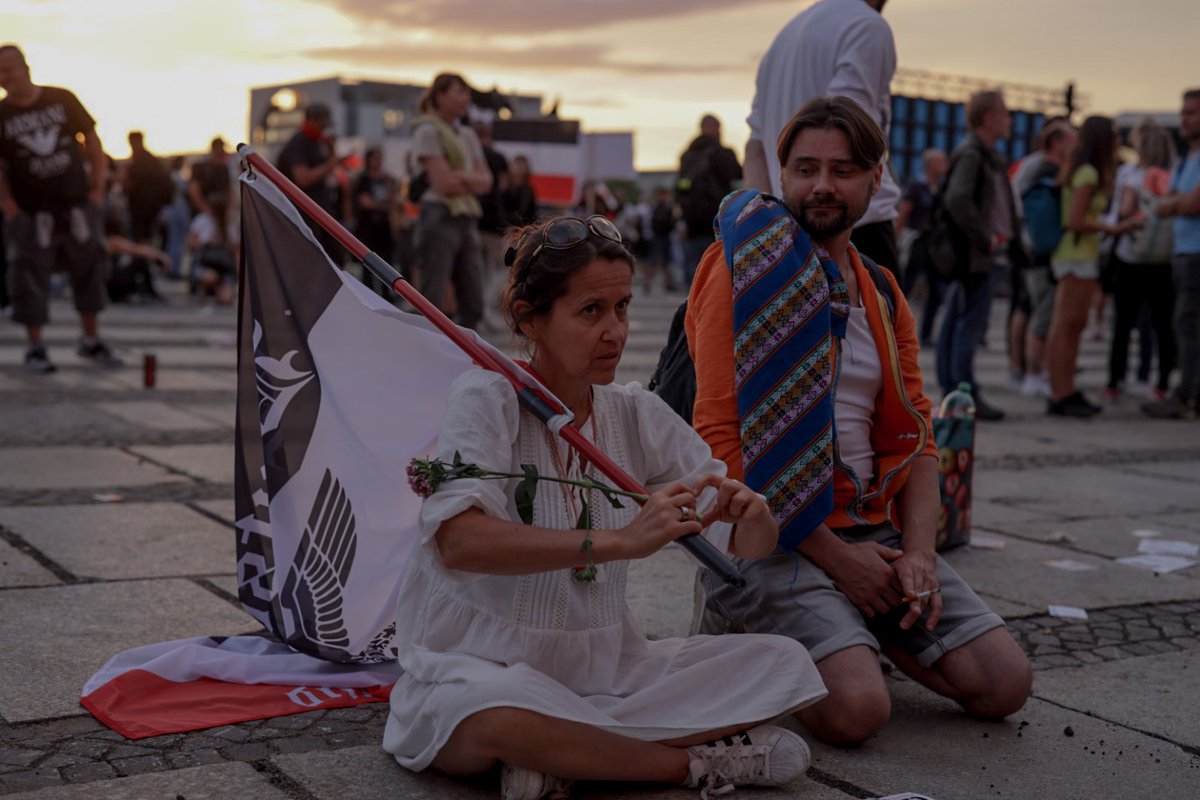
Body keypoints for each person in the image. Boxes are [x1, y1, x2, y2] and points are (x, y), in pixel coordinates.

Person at [383, 215, 827, 799]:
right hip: (483, 670)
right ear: (530, 319)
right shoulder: (488, 396)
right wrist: (621, 541)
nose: (614, 331)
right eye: (590, 312)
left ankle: (569, 756)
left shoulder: (632, 412)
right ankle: (692, 765)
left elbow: (745, 549)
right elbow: (459, 542)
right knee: (490, 717)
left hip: (606, 675)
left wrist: (754, 517)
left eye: (622, 308)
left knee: (786, 663)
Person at [688, 96, 1032, 747]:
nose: (821, 185)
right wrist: (840, 562)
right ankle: (748, 619)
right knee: (857, 710)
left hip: (871, 525)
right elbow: (718, 440)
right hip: (769, 529)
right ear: (781, 175)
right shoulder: (739, 269)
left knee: (1002, 683)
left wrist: (920, 558)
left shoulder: (879, 287)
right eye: (805, 168)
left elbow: (919, 438)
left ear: (876, 181)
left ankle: (842, 622)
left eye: (843, 170)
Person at [744, 0, 901, 272]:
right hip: (855, 227)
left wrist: (765, 228)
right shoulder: (866, 25)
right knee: (876, 313)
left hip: (792, 223)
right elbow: (850, 123)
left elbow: (755, 148)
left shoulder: (784, 37)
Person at [0, 43, 123, 372]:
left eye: (11, 68)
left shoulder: (61, 99)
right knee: (28, 276)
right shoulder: (2, 115)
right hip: (31, 212)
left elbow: (92, 140)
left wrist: (97, 187)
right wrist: (9, 206)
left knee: (90, 270)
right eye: (1, 72)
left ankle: (91, 340)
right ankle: (35, 347)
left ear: (26, 68)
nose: (7, 76)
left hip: (76, 204)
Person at [935, 90, 1027, 421]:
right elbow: (958, 198)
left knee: (958, 320)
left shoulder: (983, 153)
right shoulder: (973, 153)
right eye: (1005, 113)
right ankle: (964, 392)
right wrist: (985, 237)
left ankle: (954, 390)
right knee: (968, 324)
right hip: (976, 256)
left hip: (978, 255)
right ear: (989, 118)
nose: (1010, 119)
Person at [1044, 116, 1138, 417]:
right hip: (1077, 255)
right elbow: (1074, 220)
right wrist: (1115, 229)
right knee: (1066, 326)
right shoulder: (1088, 172)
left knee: (1073, 325)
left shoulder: (1082, 169)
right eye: (1112, 135)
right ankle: (1061, 392)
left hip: (1079, 255)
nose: (1117, 140)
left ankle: (1065, 389)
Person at [410, 72, 493, 330]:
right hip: (439, 214)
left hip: (466, 215)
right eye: (460, 92)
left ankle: (467, 352)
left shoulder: (467, 134)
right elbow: (443, 184)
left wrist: (458, 175)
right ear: (440, 95)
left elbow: (487, 181)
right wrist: (470, 180)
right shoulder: (427, 130)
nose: (466, 98)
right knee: (433, 295)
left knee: (473, 298)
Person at [1106, 124, 1177, 402]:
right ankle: (1160, 383)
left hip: (1131, 257)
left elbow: (1123, 211)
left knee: (1123, 324)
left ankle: (1114, 380)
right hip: (1163, 259)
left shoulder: (1133, 176)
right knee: (1162, 325)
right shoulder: (1174, 176)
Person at [1145, 88, 1200, 420]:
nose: (1185, 119)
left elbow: (1190, 204)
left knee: (1189, 325)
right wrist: (1178, 203)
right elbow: (1166, 203)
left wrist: (1177, 204)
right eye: (1184, 112)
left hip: (1196, 253)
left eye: (1192, 113)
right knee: (1184, 325)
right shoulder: (1184, 159)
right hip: (1182, 251)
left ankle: (1188, 396)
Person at [1013, 117, 1076, 399]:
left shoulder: (1031, 166)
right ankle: (1033, 373)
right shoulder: (1046, 169)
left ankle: (1027, 370)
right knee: (1042, 315)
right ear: (1056, 142)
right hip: (1040, 252)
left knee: (1029, 310)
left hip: (1030, 250)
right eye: (1070, 139)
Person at [676, 114, 742, 287]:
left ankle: (693, 306)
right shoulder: (723, 153)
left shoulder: (687, 156)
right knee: (718, 269)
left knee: (694, 268)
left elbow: (680, 187)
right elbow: (737, 175)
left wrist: (682, 217)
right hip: (718, 220)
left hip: (691, 222)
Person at [276, 104, 344, 259]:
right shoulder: (299, 142)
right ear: (312, 120)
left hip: (318, 207)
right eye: (322, 123)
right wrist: (329, 165)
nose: (324, 128)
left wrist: (331, 149)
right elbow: (303, 178)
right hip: (303, 212)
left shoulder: (317, 141)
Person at [896, 148, 948, 345]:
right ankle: (895, 326)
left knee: (935, 290)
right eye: (940, 161)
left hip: (935, 244)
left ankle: (926, 334)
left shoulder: (941, 188)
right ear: (930, 165)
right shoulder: (917, 186)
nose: (945, 165)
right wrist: (896, 237)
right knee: (907, 284)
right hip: (918, 241)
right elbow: (904, 212)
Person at [352, 147, 398, 296]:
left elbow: (393, 200)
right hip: (368, 226)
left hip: (383, 227)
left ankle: (387, 294)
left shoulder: (386, 179)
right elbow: (365, 202)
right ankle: (370, 294)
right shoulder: (363, 180)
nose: (377, 162)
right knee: (368, 264)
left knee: (386, 262)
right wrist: (382, 205)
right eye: (375, 158)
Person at [123, 131, 174, 244]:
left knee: (143, 239)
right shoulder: (149, 159)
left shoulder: (141, 160)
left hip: (144, 208)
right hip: (150, 207)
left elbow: (131, 183)